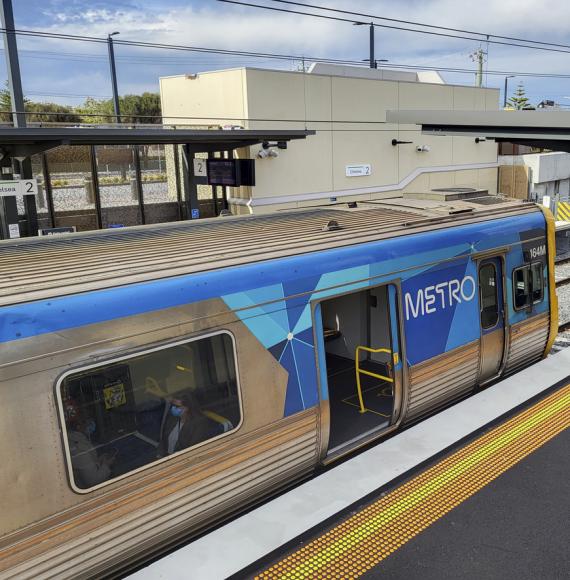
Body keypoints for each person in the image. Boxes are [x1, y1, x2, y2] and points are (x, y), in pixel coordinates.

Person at [158, 392, 224, 457]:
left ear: (187, 408)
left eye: (177, 406)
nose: (173, 408)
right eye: (172, 405)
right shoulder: (173, 418)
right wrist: (160, 455)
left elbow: (193, 450)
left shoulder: (199, 424)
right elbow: (163, 439)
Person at [66, 411, 115, 488]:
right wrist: (106, 465)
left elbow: (88, 465)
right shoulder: (79, 449)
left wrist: (99, 460)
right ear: (79, 426)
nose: (90, 423)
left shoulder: (77, 440)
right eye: (87, 421)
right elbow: (93, 481)